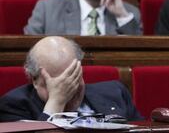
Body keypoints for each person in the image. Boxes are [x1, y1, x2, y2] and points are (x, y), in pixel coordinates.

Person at [0, 36, 143, 122]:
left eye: (74, 76)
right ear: (34, 80)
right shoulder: (13, 105)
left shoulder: (115, 92)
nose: (69, 88)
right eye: (58, 82)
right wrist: (56, 102)